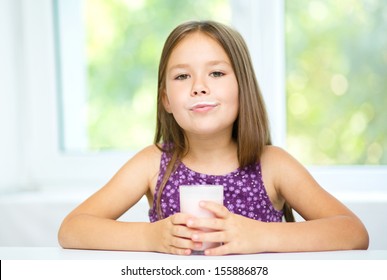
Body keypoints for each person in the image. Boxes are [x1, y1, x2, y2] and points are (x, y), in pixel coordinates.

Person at [58, 20, 369, 256]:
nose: (199, 86)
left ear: (242, 88)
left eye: (216, 73)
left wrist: (261, 236)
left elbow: (353, 233)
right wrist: (149, 237)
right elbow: (71, 229)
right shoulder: (153, 164)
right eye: (182, 76)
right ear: (166, 99)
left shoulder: (272, 165)